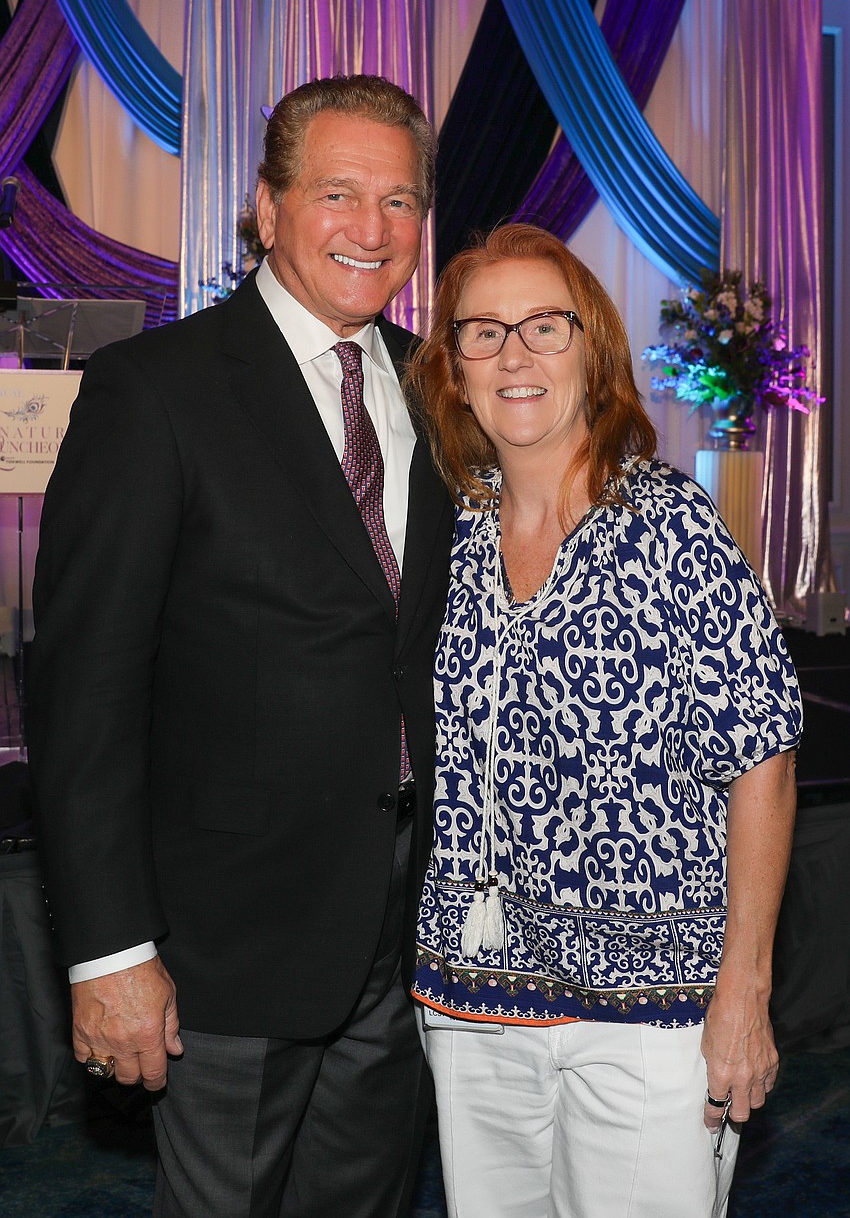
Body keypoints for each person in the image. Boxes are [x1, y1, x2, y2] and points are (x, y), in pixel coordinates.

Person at [27, 74, 453, 1217]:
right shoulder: (152, 391)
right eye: (338, 194)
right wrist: (110, 952)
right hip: (222, 941)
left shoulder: (439, 385)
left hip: (410, 926)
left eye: (401, 202)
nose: (372, 230)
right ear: (266, 207)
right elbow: (83, 690)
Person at [404, 223, 802, 1218]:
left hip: (654, 1013)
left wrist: (742, 992)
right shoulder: (441, 531)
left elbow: (763, 757)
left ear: (594, 352)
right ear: (452, 369)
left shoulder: (669, 523)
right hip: (471, 997)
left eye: (545, 326)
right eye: (482, 333)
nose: (515, 354)